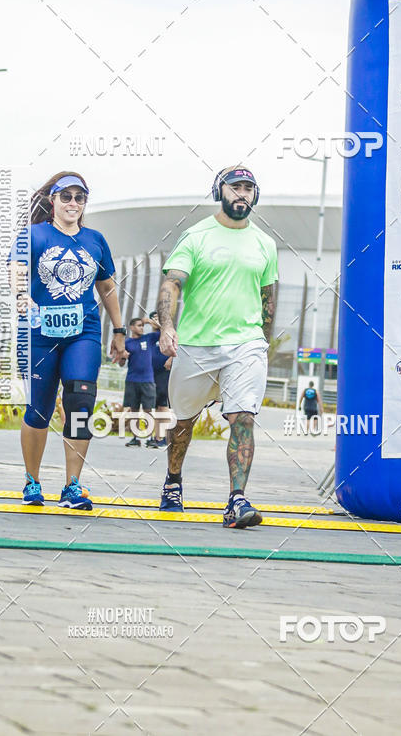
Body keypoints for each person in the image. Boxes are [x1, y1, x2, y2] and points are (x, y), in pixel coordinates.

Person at [156, 165, 278, 529]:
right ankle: (173, 481)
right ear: (219, 191)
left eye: (248, 188)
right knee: (183, 422)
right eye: (235, 187)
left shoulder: (265, 244)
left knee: (244, 417)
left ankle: (236, 501)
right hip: (196, 345)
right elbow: (171, 285)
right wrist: (166, 327)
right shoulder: (196, 236)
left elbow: (268, 299)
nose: (242, 194)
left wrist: (263, 343)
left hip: (246, 344)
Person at [10, 171, 127, 509]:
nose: (73, 203)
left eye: (80, 197)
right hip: (39, 334)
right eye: (66, 197)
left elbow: (106, 287)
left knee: (80, 403)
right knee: (39, 408)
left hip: (83, 333)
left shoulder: (95, 240)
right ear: (53, 201)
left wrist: (118, 331)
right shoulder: (33, 235)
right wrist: (22, 295)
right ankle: (32, 482)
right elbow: (17, 270)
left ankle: (72, 485)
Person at [122, 317, 160, 447]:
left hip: (147, 380)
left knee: (148, 410)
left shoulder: (149, 338)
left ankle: (150, 438)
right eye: (139, 325)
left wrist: (149, 321)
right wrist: (123, 356)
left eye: (142, 326)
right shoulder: (127, 342)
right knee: (134, 410)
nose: (141, 328)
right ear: (132, 327)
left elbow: (163, 330)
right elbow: (121, 363)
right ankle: (135, 438)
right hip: (132, 380)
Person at [147, 310, 172, 448]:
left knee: (163, 406)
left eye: (158, 318)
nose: (156, 321)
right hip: (150, 374)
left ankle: (162, 437)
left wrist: (170, 359)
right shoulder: (150, 337)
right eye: (153, 318)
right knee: (154, 406)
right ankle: (155, 436)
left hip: (164, 373)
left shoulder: (168, 334)